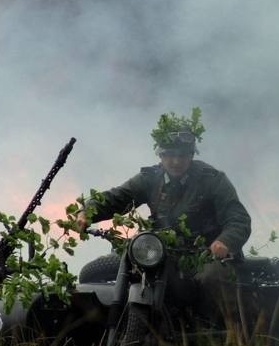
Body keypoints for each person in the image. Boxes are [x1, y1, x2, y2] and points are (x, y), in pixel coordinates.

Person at [75, 108, 252, 325]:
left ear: (192, 155)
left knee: (211, 277)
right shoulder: (150, 179)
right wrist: (87, 211)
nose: (176, 162)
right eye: (170, 155)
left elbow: (238, 219)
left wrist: (224, 242)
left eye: (182, 155)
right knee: (129, 265)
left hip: (204, 255)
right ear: (160, 155)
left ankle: (214, 336)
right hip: (162, 251)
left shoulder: (212, 180)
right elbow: (116, 198)